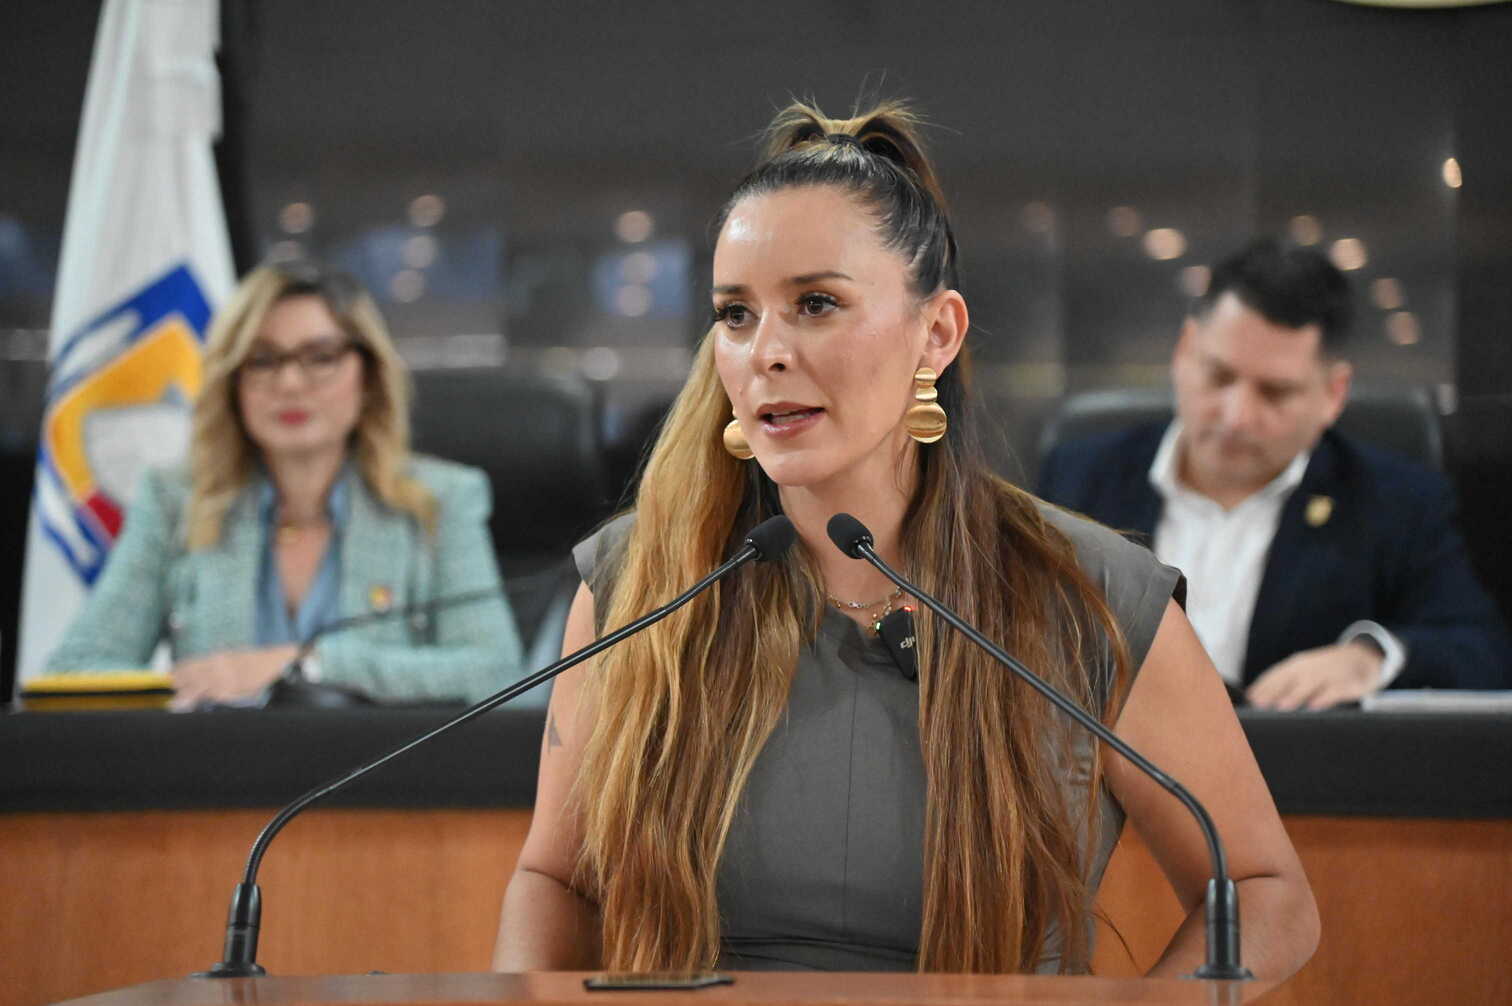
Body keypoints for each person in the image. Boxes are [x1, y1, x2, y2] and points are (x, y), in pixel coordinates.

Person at [493, 102, 1316, 978]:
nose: (765, 352)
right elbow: (557, 879)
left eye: (816, 304)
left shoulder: (1090, 593)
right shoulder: (642, 577)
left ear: (938, 333)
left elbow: (1264, 893)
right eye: (735, 314)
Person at [1039, 239, 1511, 710]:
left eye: (1275, 393)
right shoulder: (1080, 476)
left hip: (1294, 757)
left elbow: (1482, 651)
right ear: (1184, 351)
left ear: (1333, 393)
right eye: (1219, 376)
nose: (1237, 417)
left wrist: (1371, 659)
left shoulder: (1398, 502)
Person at [45, 259, 524, 708]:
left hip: (385, 770)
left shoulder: (440, 500)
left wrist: (307, 664)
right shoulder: (175, 501)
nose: (290, 383)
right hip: (217, 767)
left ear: (369, 377)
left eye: (321, 357)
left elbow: (496, 674)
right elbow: (73, 670)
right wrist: (186, 688)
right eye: (262, 359)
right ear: (232, 381)